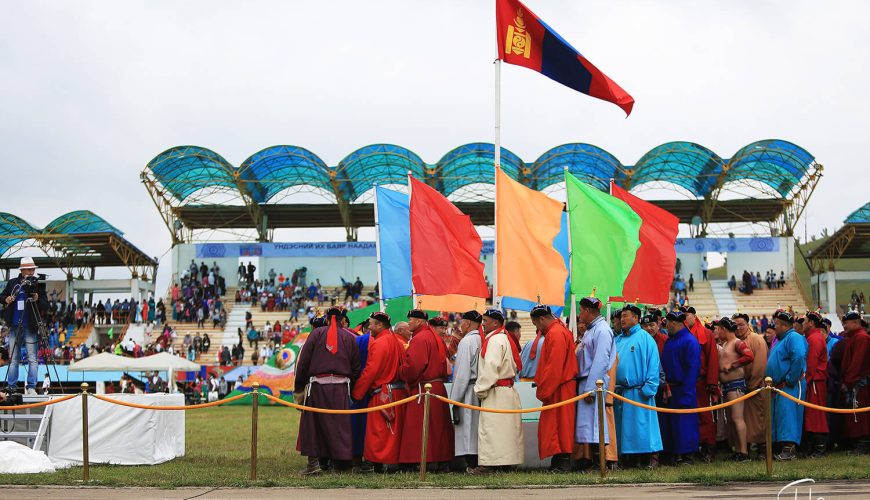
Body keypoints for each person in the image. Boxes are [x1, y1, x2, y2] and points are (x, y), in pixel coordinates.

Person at [293, 306, 361, 475]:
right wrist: (350, 385)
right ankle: (341, 465)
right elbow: (356, 366)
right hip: (341, 387)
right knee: (340, 425)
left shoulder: (316, 334)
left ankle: (314, 465)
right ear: (341, 320)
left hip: (318, 386)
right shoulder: (349, 337)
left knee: (314, 425)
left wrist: (299, 386)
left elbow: (304, 361)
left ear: (327, 318)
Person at [351, 312, 408, 470]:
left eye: (371, 324)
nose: (369, 327)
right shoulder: (396, 341)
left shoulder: (380, 342)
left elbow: (371, 371)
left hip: (382, 394)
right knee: (393, 432)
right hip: (398, 392)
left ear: (380, 325)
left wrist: (356, 393)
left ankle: (381, 463)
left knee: (380, 432)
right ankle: (393, 461)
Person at [398, 309, 454, 471]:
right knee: (438, 427)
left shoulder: (420, 338)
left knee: (418, 425)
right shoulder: (434, 336)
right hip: (437, 386)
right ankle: (441, 460)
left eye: (411, 320)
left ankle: (417, 460)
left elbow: (414, 366)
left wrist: (402, 371)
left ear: (419, 322)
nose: (409, 323)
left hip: (424, 387)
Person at [470, 309, 523, 474]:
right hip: (506, 390)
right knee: (505, 431)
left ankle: (489, 465)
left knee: (492, 429)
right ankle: (506, 463)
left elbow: (490, 369)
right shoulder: (504, 337)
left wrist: (480, 390)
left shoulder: (494, 340)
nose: (483, 323)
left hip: (495, 391)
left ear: (495, 323)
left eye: (485, 320)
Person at [529, 304, 577, 471]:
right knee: (559, 424)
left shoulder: (555, 333)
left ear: (542, 319)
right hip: (560, 385)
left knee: (560, 424)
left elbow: (554, 367)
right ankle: (560, 460)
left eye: (536, 324)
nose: (537, 328)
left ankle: (563, 462)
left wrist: (544, 390)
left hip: (559, 386)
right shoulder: (558, 331)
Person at [613, 305, 662, 468]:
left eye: (625, 316)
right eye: (621, 316)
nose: (622, 319)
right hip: (621, 392)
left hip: (639, 391)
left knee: (642, 427)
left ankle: (645, 459)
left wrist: (649, 387)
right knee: (624, 429)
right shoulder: (618, 339)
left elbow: (653, 365)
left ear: (636, 318)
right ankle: (627, 459)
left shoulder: (645, 338)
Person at [572, 297, 616, 471]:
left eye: (581, 310)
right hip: (586, 381)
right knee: (588, 426)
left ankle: (600, 464)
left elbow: (600, 361)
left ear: (589, 311)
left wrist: (592, 389)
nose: (579, 314)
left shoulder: (602, 330)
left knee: (596, 424)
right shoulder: (592, 330)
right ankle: (592, 461)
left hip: (593, 382)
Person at [1, 257, 48, 396]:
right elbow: (1, 296)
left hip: (30, 326)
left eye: (33, 269)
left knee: (32, 358)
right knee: (14, 358)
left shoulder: (38, 285)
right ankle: (11, 387)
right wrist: (6, 299)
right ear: (22, 270)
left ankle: (31, 386)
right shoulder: (12, 283)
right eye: (29, 269)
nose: (32, 271)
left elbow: (46, 305)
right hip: (15, 325)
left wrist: (37, 299)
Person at [765, 309, 808, 461]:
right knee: (781, 416)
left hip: (790, 384)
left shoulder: (794, 337)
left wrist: (790, 378)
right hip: (779, 385)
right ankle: (782, 448)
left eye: (776, 324)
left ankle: (789, 450)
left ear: (784, 325)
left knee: (788, 416)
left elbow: (799, 357)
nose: (773, 327)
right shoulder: (782, 339)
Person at [660, 310, 701, 465]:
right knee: (672, 424)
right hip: (671, 388)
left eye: (668, 324)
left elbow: (692, 369)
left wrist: (688, 393)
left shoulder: (690, 341)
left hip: (683, 388)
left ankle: (687, 455)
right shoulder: (671, 341)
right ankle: (675, 453)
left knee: (685, 423)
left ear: (675, 324)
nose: (667, 326)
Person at [681, 306, 720, 462]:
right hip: (686, 382)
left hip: (701, 382)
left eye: (687, 315)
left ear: (694, 316)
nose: (685, 318)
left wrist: (712, 382)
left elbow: (712, 359)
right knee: (688, 415)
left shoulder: (706, 334)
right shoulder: (680, 334)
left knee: (705, 415)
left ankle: (709, 447)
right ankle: (691, 448)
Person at [713, 317, 754, 461]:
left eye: (718, 329)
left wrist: (732, 365)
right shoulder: (726, 344)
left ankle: (743, 452)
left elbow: (749, 356)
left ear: (724, 329)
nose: (717, 332)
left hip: (735, 385)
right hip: (727, 387)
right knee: (731, 420)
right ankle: (738, 450)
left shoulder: (737, 343)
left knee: (737, 419)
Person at [449, 310, 483, 471]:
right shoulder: (482, 338)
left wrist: (454, 399)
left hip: (468, 389)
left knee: (468, 429)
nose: (460, 325)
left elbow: (462, 373)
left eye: (462, 322)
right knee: (477, 428)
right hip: (480, 388)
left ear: (468, 323)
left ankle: (471, 464)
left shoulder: (466, 342)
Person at [732, 313, 768, 458]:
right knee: (742, 419)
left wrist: (752, 385)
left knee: (758, 418)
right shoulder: (734, 341)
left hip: (756, 386)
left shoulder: (756, 340)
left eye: (742, 324)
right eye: (736, 325)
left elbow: (760, 366)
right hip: (741, 387)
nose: (739, 328)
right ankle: (743, 448)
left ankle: (762, 449)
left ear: (748, 325)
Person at [840, 311, 869, 454]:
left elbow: (856, 362)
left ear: (855, 323)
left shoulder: (861, 337)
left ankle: (863, 444)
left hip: (858, 382)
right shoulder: (854, 337)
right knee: (855, 415)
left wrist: (849, 381)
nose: (844, 325)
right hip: (854, 381)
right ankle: (858, 444)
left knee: (860, 415)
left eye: (847, 322)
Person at [803, 311, 829, 457]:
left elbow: (811, 364)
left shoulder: (814, 339)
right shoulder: (814, 337)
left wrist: (806, 381)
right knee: (813, 414)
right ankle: (814, 447)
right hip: (814, 381)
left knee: (816, 415)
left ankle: (820, 448)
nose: (803, 324)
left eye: (805, 321)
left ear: (811, 323)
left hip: (815, 382)